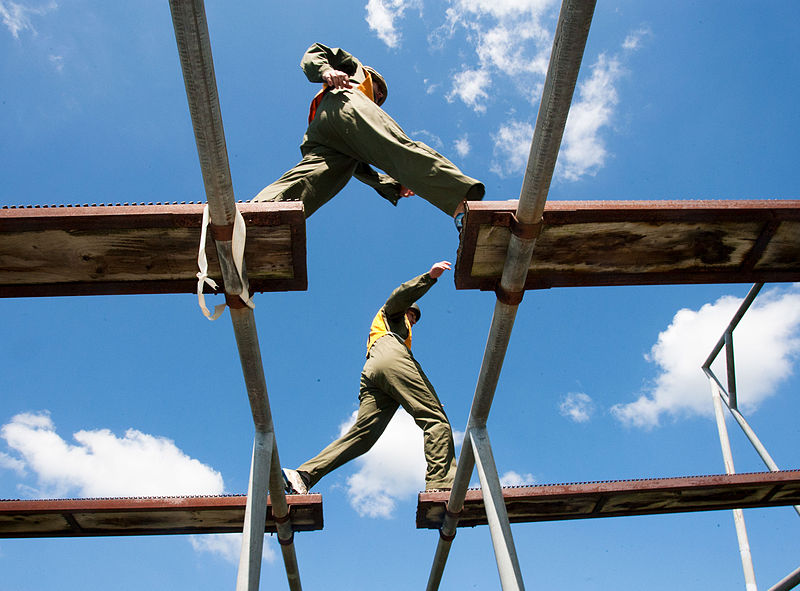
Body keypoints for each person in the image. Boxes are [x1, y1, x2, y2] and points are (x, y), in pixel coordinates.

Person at [252, 43, 484, 230]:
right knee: (395, 146)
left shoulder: (356, 136)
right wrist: (325, 70)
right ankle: (461, 201)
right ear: (369, 76)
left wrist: (393, 186)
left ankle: (261, 216)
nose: (379, 95)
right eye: (378, 89)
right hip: (343, 102)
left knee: (314, 178)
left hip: (323, 137)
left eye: (381, 96)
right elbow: (317, 51)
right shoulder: (354, 68)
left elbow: (362, 170)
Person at [282, 261, 458, 495]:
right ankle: (442, 485)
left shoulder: (394, 332)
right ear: (405, 310)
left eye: (415, 318)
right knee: (436, 420)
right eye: (411, 314)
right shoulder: (392, 316)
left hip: (374, 369)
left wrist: (427, 396)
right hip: (389, 356)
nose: (413, 320)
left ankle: (304, 475)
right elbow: (399, 297)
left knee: (364, 436)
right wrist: (429, 277)